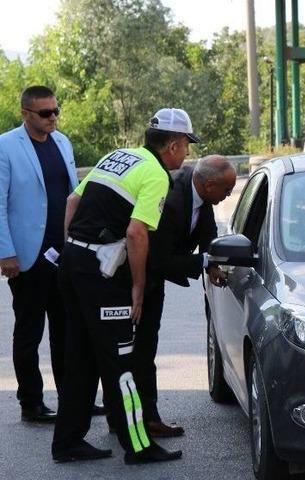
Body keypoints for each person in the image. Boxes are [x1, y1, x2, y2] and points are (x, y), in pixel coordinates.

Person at [52, 108, 198, 463]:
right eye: (187, 146)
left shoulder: (118, 157)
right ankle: (138, 445)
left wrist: (74, 249)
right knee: (122, 362)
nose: (188, 153)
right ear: (174, 145)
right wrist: (137, 286)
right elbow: (136, 232)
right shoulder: (156, 174)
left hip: (72, 263)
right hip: (102, 276)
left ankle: (68, 442)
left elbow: (73, 201)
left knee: (81, 358)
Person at [0, 86, 107, 422]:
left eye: (55, 111)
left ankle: (74, 398)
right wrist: (6, 254)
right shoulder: (5, 147)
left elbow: (74, 194)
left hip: (65, 254)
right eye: (45, 113)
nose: (53, 118)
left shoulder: (63, 142)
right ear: (26, 113)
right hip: (27, 257)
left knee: (70, 331)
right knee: (30, 331)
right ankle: (31, 402)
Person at [135, 155, 236, 437]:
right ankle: (143, 419)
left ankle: (134, 415)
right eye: (226, 190)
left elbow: (208, 232)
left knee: (144, 347)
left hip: (152, 274)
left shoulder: (202, 193)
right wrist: (204, 262)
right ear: (208, 184)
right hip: (136, 279)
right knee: (139, 350)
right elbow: (160, 260)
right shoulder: (171, 199)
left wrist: (213, 262)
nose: (228, 195)